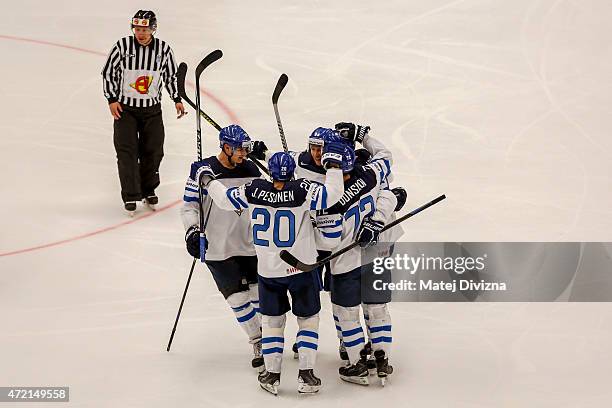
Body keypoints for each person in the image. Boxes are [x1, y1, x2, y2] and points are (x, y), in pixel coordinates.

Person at [202, 144, 346, 395]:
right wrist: (333, 167)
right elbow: (332, 194)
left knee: (272, 323)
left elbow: (224, 199)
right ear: (291, 173)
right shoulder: (302, 190)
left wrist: (207, 180)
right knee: (308, 320)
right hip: (301, 269)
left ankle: (271, 374)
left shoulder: (253, 190)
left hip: (268, 272)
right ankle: (306, 374)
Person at [316, 127, 397, 386]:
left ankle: (357, 365)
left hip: (345, 263)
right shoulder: (371, 174)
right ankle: (382, 358)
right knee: (377, 308)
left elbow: (327, 241)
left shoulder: (328, 197)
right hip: (376, 255)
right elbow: (385, 162)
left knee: (347, 313)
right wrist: (363, 135)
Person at [180, 125, 264, 372]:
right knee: (238, 299)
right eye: (240, 150)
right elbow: (189, 207)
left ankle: (269, 340)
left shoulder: (250, 169)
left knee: (260, 297)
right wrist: (192, 232)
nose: (244, 155)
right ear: (226, 148)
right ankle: (258, 340)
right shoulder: (203, 171)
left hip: (250, 244)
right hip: (218, 248)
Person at [101, 10, 186, 216]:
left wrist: (176, 99)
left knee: (154, 151)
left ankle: (148, 189)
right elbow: (109, 72)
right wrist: (112, 99)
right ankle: (130, 195)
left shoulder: (164, 50)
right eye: (137, 29)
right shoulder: (122, 47)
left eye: (145, 29)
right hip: (125, 111)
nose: (140, 33)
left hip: (152, 111)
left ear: (153, 29)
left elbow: (170, 76)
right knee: (127, 153)